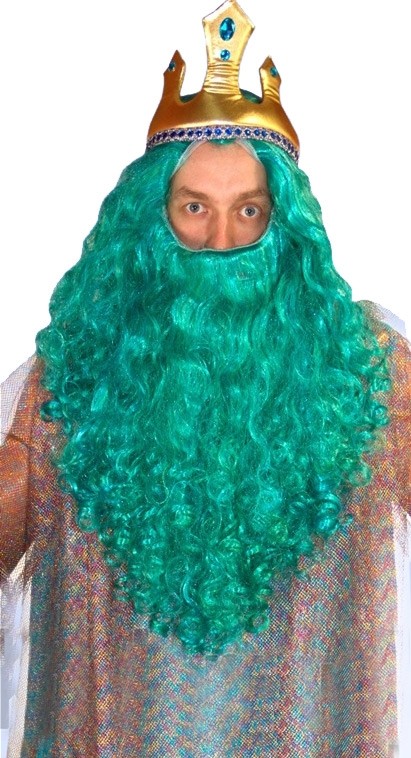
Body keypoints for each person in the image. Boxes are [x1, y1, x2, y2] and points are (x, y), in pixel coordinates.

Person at [1, 1, 410, 755]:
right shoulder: (71, 385)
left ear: (286, 229)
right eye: (195, 208)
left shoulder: (368, 373)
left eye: (249, 211)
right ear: (148, 223)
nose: (222, 241)